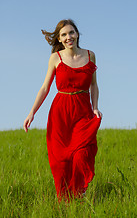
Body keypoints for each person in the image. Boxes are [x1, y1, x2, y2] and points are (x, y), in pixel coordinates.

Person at [23, 19, 103, 201]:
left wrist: (96, 107)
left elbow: (94, 85)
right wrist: (31, 112)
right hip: (61, 113)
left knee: (82, 154)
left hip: (83, 111)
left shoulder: (90, 55)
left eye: (72, 33)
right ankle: (66, 201)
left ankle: (79, 192)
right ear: (59, 39)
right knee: (61, 160)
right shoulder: (55, 58)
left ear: (77, 34)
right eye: (64, 35)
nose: (69, 37)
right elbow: (45, 88)